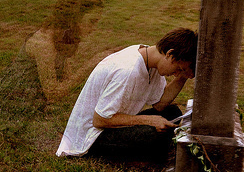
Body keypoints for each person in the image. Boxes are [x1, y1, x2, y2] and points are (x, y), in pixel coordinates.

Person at [56, 28, 198, 162]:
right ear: (169, 54)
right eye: (179, 69)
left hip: (113, 125)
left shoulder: (150, 59)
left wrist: (183, 76)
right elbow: (100, 120)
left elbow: (160, 105)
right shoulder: (128, 70)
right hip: (93, 136)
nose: (176, 74)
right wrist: (149, 121)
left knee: (172, 112)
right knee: (151, 136)